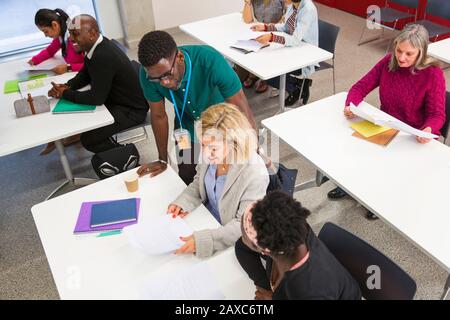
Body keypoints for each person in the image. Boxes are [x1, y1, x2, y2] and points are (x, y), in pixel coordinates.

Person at [327, 24, 446, 220]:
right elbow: (359, 87)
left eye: (409, 54)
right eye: (399, 50)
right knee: (353, 146)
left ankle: (379, 200)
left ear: (421, 53)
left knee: (389, 167)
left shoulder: (433, 75)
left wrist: (428, 129)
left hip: (412, 134)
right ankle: (351, 186)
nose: (401, 57)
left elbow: (437, 114)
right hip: (385, 125)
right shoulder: (388, 62)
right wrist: (350, 105)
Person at [136, 31, 256, 185]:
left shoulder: (210, 61)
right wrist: (162, 159)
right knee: (187, 176)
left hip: (222, 124)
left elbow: (242, 109)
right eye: (156, 78)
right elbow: (159, 116)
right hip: (187, 127)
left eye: (167, 75)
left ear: (179, 57)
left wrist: (254, 153)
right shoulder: (148, 75)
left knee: (227, 178)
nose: (164, 83)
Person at [168, 103, 269, 258]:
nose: (206, 154)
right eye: (203, 144)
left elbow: (244, 225)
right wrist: (184, 201)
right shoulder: (211, 154)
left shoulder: (254, 173)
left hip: (228, 239)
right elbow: (198, 182)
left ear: (234, 144)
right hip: (203, 220)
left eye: (213, 148)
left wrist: (206, 241)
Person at [48, 15, 148, 154]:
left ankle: (126, 157)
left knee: (89, 139)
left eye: (75, 34)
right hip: (120, 100)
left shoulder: (103, 56)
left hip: (131, 110)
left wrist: (64, 93)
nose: (71, 39)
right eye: (70, 34)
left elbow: (96, 98)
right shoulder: (96, 45)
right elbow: (85, 74)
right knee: (82, 115)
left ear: (92, 33)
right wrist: (67, 86)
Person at [235, 190, 362, 300]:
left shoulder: (308, 290)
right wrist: (266, 288)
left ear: (265, 251)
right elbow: (241, 247)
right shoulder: (291, 233)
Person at [29, 8, 85, 155]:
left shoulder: (75, 38)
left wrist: (68, 67)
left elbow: (92, 63)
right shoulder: (61, 36)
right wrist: (34, 61)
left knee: (57, 95)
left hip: (84, 77)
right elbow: (49, 51)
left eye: (45, 31)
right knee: (51, 92)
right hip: (71, 75)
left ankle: (72, 133)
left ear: (55, 25)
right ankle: (56, 137)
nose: (45, 35)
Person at [251, 0, 318, 106]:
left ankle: (295, 88)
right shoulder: (293, 6)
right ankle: (299, 84)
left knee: (270, 72)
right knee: (267, 68)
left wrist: (272, 37)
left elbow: (295, 39)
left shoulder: (308, 9)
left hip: (305, 55)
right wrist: (266, 27)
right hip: (293, 49)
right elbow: (286, 28)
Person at [239, 0, 285, 93]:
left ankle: (267, 78)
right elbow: (247, 20)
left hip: (278, 32)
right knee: (247, 48)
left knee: (268, 51)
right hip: (260, 31)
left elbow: (286, 18)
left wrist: (270, 29)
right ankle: (254, 74)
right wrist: (247, 3)